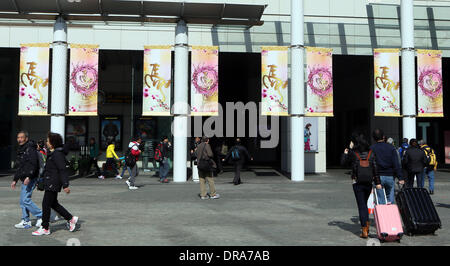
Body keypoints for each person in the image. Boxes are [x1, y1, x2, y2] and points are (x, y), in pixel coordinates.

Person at [32, 132, 79, 236]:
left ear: (52, 143)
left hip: (53, 183)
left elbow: (62, 169)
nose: (46, 142)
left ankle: (45, 227)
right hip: (51, 181)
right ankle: (71, 218)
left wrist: (65, 184)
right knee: (53, 204)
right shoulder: (53, 152)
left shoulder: (57, 154)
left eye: (48, 141)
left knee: (46, 204)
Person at [341, 134, 381, 239]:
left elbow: (343, 163)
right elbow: (375, 168)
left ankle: (364, 229)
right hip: (368, 182)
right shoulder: (371, 153)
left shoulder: (354, 153)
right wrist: (378, 182)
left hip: (357, 182)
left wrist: (347, 151)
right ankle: (366, 226)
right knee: (364, 203)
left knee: (362, 205)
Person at [10, 131, 43, 229]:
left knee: (25, 200)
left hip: (30, 178)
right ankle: (26, 220)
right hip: (24, 178)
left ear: (26, 138)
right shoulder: (21, 149)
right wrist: (15, 179)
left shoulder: (30, 149)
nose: (19, 139)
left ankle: (41, 216)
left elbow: (34, 164)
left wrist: (29, 176)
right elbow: (20, 166)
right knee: (22, 201)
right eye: (18, 137)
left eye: (21, 137)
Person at [370, 129, 404, 204]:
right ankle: (390, 213)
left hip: (377, 177)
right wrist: (400, 177)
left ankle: (382, 214)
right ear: (383, 137)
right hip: (390, 175)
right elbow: (396, 164)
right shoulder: (391, 148)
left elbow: (370, 164)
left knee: (380, 199)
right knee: (390, 198)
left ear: (373, 138)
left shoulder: (372, 148)